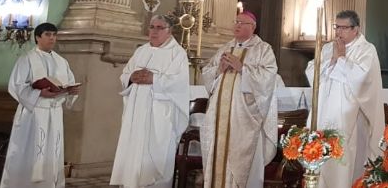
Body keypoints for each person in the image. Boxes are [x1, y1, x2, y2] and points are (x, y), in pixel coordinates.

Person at [306, 10, 384, 188]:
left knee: (343, 159)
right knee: (319, 155)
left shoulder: (366, 50)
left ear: (356, 29)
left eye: (344, 28)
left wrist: (341, 59)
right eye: (337, 27)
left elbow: (363, 80)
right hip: (324, 111)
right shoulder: (328, 48)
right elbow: (312, 71)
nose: (339, 32)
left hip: (349, 115)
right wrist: (332, 60)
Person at [200, 11, 278, 188]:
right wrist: (218, 70)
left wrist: (242, 68)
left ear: (253, 27)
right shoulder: (224, 48)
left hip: (245, 117)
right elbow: (207, 73)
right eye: (236, 22)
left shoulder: (263, 49)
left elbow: (268, 79)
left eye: (242, 23)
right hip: (219, 115)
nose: (237, 25)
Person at [110, 15, 190, 188]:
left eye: (160, 28)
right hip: (136, 112)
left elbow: (180, 83)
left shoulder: (177, 54)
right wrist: (131, 77)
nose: (154, 31)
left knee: (156, 157)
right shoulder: (141, 51)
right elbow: (125, 74)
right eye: (152, 27)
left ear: (169, 31)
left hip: (160, 114)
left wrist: (154, 79)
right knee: (134, 152)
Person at [1, 22, 79, 188]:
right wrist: (38, 93)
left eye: (54, 35)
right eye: (47, 35)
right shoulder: (27, 59)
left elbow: (68, 82)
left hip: (54, 113)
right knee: (30, 152)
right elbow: (16, 85)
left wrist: (71, 91)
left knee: (52, 152)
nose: (52, 38)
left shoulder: (61, 61)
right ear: (37, 37)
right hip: (33, 113)